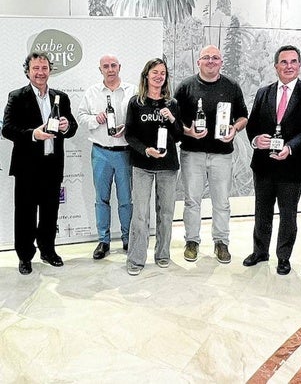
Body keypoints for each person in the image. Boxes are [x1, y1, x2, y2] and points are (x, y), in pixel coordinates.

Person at [243, 45, 301, 275]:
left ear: (299, 65)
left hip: (293, 165)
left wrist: (291, 147)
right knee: (262, 211)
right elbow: (253, 125)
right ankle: (260, 252)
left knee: (288, 214)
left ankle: (283, 257)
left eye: (293, 62)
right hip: (264, 164)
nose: (288, 66)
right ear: (275, 66)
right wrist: (256, 139)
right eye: (284, 62)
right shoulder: (263, 92)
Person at [2, 51, 78, 275]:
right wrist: (33, 134)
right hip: (27, 167)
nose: (40, 72)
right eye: (36, 68)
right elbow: (7, 129)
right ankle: (25, 256)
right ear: (28, 71)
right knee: (25, 214)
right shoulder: (17, 96)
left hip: (52, 165)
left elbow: (72, 126)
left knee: (49, 212)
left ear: (50, 70)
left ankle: (48, 250)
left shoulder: (60, 97)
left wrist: (66, 126)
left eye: (44, 68)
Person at [174, 45, 248, 264]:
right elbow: (174, 120)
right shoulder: (186, 86)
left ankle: (221, 242)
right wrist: (188, 131)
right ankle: (192, 241)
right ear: (198, 62)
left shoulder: (231, 86)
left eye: (215, 58)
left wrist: (234, 129)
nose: (211, 61)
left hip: (222, 155)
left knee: (222, 202)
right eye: (206, 57)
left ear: (221, 62)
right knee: (192, 201)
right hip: (192, 154)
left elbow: (243, 116)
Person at [124, 58, 182, 276]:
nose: (159, 76)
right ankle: (136, 258)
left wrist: (172, 119)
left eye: (163, 73)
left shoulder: (172, 103)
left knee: (166, 212)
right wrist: (146, 150)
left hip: (167, 166)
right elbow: (129, 135)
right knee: (140, 213)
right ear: (146, 75)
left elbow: (177, 136)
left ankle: (163, 254)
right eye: (155, 72)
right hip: (142, 164)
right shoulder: (135, 103)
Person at [77, 54, 137, 260]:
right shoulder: (92, 92)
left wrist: (127, 127)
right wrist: (96, 118)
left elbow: (139, 118)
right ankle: (103, 241)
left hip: (124, 153)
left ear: (119, 67)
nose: (110, 69)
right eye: (106, 66)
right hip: (101, 152)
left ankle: (128, 238)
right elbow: (82, 117)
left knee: (125, 200)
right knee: (101, 199)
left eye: (113, 65)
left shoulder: (133, 91)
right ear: (100, 69)